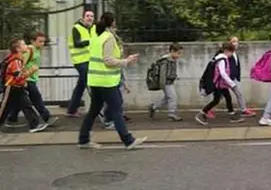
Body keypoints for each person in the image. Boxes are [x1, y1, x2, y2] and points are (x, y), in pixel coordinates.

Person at [77, 12, 146, 150]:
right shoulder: (108, 38)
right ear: (112, 22)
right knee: (116, 110)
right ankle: (128, 140)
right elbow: (108, 61)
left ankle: (83, 139)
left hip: (95, 79)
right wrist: (127, 61)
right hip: (106, 81)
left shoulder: (96, 36)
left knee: (94, 110)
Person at [6, 32, 55, 127]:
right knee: (36, 97)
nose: (42, 44)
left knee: (20, 100)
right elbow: (21, 64)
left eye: (43, 42)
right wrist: (26, 75)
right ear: (33, 41)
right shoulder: (29, 50)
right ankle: (46, 117)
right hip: (27, 79)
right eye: (40, 41)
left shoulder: (37, 50)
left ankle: (12, 118)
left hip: (31, 78)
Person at [196, 42, 243, 125]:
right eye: (231, 52)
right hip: (218, 84)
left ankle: (232, 115)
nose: (232, 54)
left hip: (221, 84)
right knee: (216, 100)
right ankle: (201, 113)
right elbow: (222, 73)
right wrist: (231, 83)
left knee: (228, 98)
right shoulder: (222, 60)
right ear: (226, 51)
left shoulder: (220, 58)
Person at [66, 10, 95, 117]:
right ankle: (100, 111)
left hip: (88, 60)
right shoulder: (77, 28)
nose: (90, 18)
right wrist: (90, 41)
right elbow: (77, 43)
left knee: (81, 86)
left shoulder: (92, 29)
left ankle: (71, 110)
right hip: (80, 61)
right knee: (90, 85)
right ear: (83, 17)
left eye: (92, 16)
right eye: (87, 16)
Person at [148, 43, 184, 122]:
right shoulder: (165, 61)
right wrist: (162, 85)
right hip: (166, 83)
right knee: (173, 97)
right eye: (178, 53)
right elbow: (162, 74)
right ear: (172, 51)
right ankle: (172, 114)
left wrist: (174, 76)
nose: (179, 55)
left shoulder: (172, 60)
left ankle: (153, 107)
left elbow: (170, 71)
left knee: (168, 98)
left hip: (169, 82)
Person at [228, 36, 255, 117]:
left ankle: (243, 109)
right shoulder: (226, 53)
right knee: (237, 93)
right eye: (233, 41)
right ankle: (243, 110)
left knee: (237, 93)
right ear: (229, 43)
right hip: (228, 78)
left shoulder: (235, 53)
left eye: (237, 41)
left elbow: (236, 66)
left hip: (234, 77)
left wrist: (237, 76)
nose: (236, 43)